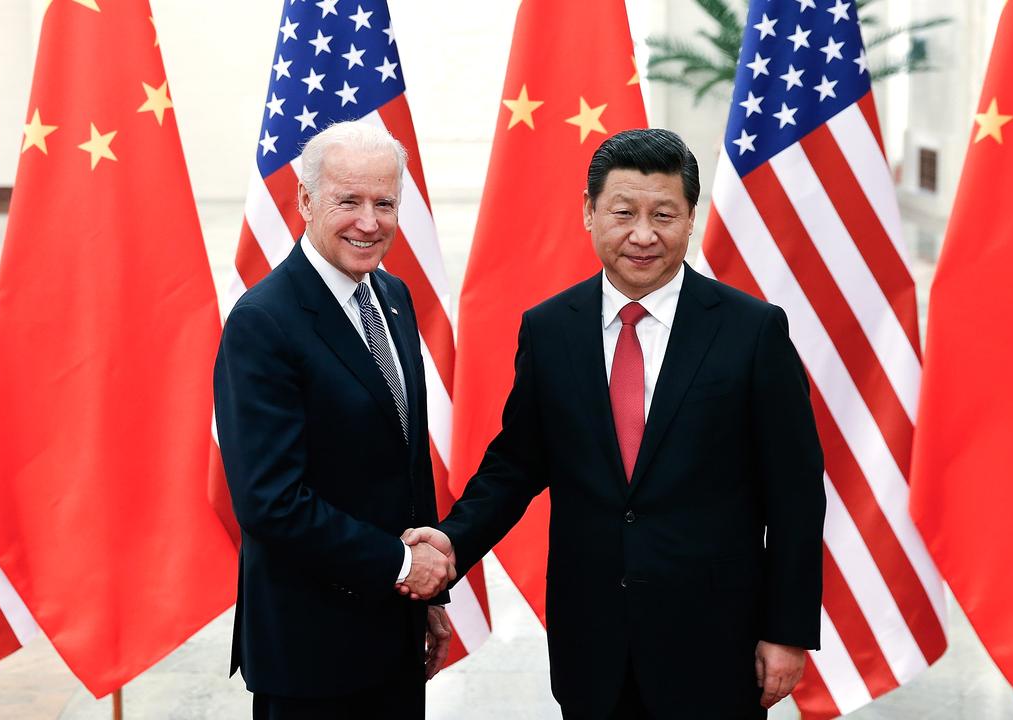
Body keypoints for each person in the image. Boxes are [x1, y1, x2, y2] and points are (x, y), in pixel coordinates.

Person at [403, 128, 826, 718]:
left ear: (690, 217)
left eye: (664, 214)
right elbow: (516, 464)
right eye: (623, 213)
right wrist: (451, 540)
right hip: (592, 643)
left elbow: (795, 495)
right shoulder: (550, 329)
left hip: (715, 644)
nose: (643, 235)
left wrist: (787, 630)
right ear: (589, 212)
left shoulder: (752, 332)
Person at [214, 121, 454, 720]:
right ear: (305, 201)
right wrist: (403, 565)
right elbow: (271, 501)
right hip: (311, 653)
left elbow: (405, 459)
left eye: (385, 203)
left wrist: (427, 594)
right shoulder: (263, 322)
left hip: (393, 635)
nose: (369, 222)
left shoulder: (393, 297)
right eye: (348, 200)